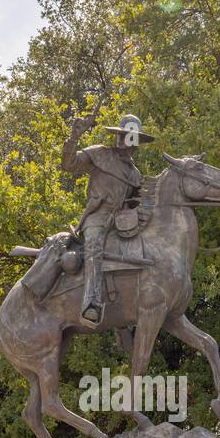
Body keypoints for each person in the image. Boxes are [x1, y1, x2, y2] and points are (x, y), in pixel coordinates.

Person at [61, 112, 154, 325]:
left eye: (129, 136)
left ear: (136, 142)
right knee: (94, 247)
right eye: (121, 135)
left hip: (122, 223)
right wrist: (74, 137)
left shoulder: (135, 174)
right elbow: (69, 165)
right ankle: (90, 304)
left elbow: (137, 203)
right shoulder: (100, 154)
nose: (124, 140)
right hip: (97, 217)